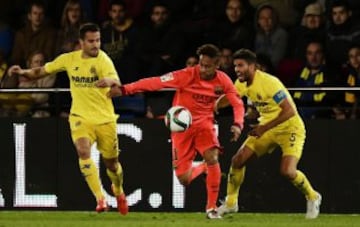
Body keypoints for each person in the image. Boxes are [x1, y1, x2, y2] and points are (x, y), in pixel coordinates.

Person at [96, 44, 245, 219]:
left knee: (212, 157)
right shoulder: (186, 75)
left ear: (217, 64)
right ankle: (204, 167)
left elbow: (237, 102)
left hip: (205, 124)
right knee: (184, 179)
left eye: (208, 66)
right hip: (182, 128)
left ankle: (211, 208)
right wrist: (124, 90)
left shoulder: (223, 80)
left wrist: (238, 123)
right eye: (201, 64)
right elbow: (155, 82)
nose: (203, 69)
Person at [8, 23, 128, 215]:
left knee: (112, 163)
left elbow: (118, 83)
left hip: (105, 119)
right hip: (80, 116)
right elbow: (42, 71)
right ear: (81, 42)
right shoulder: (69, 59)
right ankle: (100, 198)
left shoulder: (103, 60)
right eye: (91, 41)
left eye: (98, 40)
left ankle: (119, 191)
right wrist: (23, 72)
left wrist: (111, 81)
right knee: (83, 151)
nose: (96, 45)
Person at [215, 49, 322, 219]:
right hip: (267, 126)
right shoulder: (241, 83)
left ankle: (313, 196)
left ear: (253, 66)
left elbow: (289, 111)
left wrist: (263, 128)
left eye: (241, 65)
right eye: (235, 66)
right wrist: (212, 106)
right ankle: (230, 203)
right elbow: (231, 98)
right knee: (238, 160)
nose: (237, 69)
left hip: (290, 128)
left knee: (287, 171)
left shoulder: (270, 83)